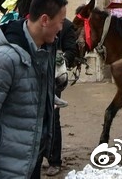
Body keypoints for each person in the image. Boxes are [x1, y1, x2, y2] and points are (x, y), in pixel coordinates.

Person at [0, 0, 67, 179]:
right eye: (61, 22)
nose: (62, 28)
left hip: (28, 164)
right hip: (5, 170)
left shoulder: (41, 53)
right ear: (45, 20)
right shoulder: (5, 59)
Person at [42, 17, 80, 176]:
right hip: (34, 74)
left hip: (54, 77)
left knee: (52, 116)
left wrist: (62, 59)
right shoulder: (37, 22)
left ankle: (54, 160)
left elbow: (72, 51)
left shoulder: (66, 26)